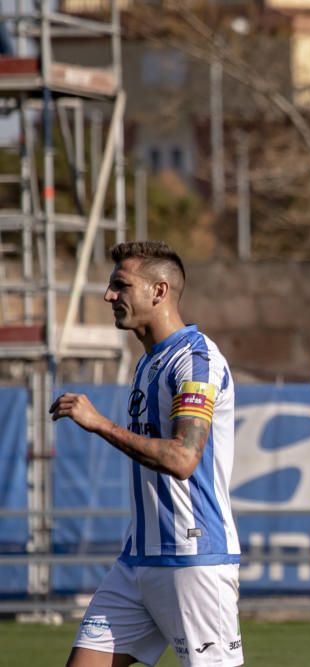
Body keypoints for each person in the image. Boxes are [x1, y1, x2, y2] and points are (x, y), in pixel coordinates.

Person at [53, 241, 243, 667]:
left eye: (120, 285)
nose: (108, 296)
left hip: (192, 558)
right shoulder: (148, 362)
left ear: (158, 291)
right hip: (137, 559)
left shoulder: (195, 360)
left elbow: (182, 458)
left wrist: (100, 423)